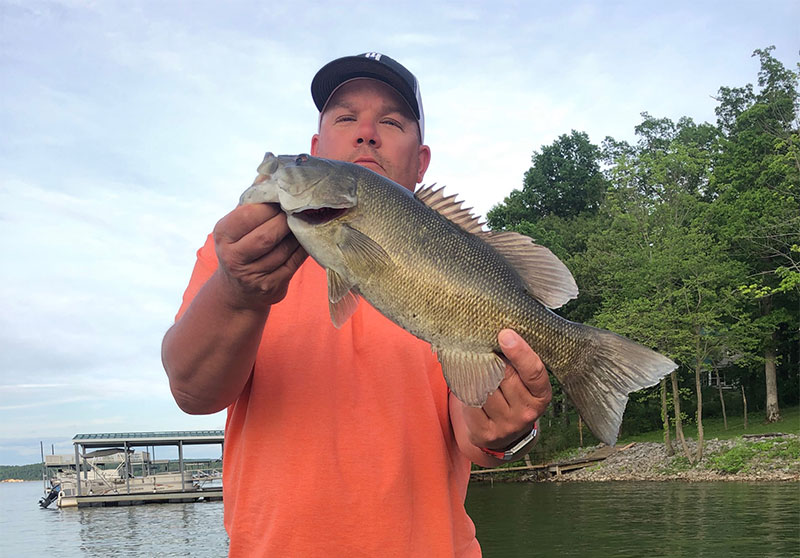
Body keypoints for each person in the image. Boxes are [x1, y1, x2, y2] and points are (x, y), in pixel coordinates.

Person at [162, 52, 552, 557]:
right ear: (315, 147)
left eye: (391, 121)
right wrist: (237, 293)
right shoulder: (238, 254)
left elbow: (478, 438)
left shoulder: (460, 263)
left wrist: (508, 431)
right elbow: (193, 392)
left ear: (421, 161)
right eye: (345, 117)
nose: (367, 132)